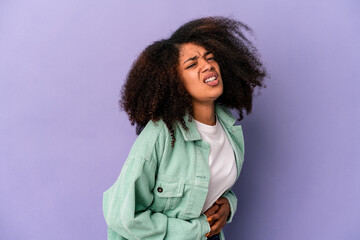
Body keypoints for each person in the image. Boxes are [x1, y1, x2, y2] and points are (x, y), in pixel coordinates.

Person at [103, 16, 267, 240]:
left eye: (210, 58)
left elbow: (210, 184)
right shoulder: (161, 133)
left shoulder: (229, 130)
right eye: (192, 64)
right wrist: (199, 229)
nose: (207, 65)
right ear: (174, 82)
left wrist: (228, 205)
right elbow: (121, 216)